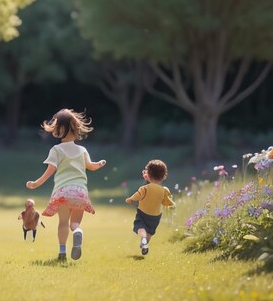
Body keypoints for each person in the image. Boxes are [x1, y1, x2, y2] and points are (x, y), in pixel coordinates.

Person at [26, 108, 106, 261]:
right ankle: (77, 232)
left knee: (63, 222)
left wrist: (35, 184)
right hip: (80, 192)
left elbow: (50, 171)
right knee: (74, 222)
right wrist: (99, 164)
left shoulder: (56, 150)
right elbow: (91, 166)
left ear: (58, 130)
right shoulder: (82, 150)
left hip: (63, 192)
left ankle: (62, 252)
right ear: (76, 128)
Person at [125, 159, 174, 256]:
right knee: (150, 232)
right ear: (163, 176)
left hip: (143, 213)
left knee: (140, 226)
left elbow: (138, 195)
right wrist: (171, 205)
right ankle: (145, 243)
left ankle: (143, 239)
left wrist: (130, 199)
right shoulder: (164, 190)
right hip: (156, 216)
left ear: (149, 174)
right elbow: (167, 202)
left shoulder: (145, 188)